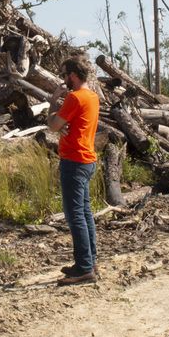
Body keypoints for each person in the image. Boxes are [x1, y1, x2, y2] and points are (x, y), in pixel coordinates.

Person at [47, 56, 100, 285]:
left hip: (74, 161)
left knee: (75, 215)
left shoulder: (74, 97)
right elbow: (72, 124)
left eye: (65, 74)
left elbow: (53, 125)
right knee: (85, 213)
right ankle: (90, 261)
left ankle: (84, 268)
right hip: (87, 160)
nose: (63, 79)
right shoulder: (93, 97)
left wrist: (53, 102)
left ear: (73, 75)